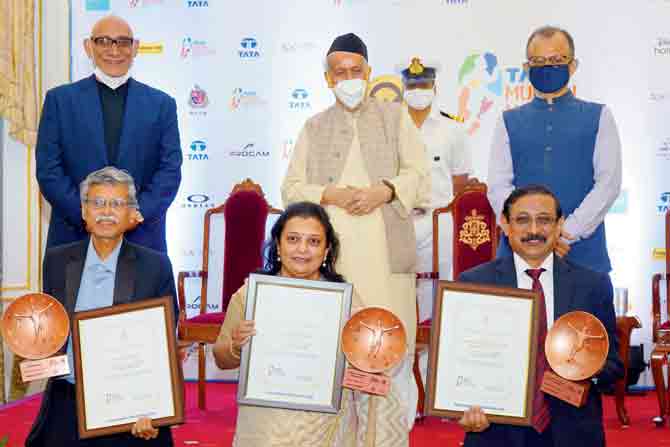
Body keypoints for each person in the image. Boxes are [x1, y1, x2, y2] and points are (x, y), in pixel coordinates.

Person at [282, 32, 430, 445]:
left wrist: (385, 190)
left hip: (387, 261)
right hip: (332, 267)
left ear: (368, 72)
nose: (349, 78)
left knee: (390, 355)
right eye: (340, 72)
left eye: (356, 71)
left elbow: (421, 176)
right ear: (328, 78)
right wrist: (331, 195)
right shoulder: (314, 126)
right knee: (332, 362)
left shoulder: (395, 117)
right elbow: (291, 188)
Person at [457, 185, 623, 447]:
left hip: (573, 431)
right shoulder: (475, 283)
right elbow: (460, 362)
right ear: (505, 224)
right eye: (522, 220)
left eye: (544, 220)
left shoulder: (593, 285)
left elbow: (613, 365)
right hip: (496, 431)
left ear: (559, 225)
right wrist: (463, 407)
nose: (533, 230)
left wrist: (584, 367)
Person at [26, 167, 178, 447]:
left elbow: (164, 345)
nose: (106, 212)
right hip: (67, 401)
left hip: (129, 409)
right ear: (84, 210)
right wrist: (32, 355)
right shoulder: (57, 262)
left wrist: (153, 410)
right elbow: (51, 337)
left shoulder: (155, 267)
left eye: (117, 204)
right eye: (97, 203)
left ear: (132, 213)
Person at [213, 201, 360, 446]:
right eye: (292, 239)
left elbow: (368, 366)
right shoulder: (251, 294)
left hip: (325, 426)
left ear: (326, 251)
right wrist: (237, 347)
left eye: (314, 242)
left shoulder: (346, 301)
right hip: (265, 424)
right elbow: (220, 358)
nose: (302, 249)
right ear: (278, 245)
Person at [36, 15, 182, 253]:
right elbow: (49, 170)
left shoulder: (162, 104)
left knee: (144, 293)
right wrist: (86, 214)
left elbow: (170, 170)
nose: (114, 50)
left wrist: (134, 214)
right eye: (104, 41)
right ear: (88, 47)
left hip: (142, 239)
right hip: (74, 238)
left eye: (123, 42)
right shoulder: (59, 101)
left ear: (135, 48)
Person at [487, 25, 622, 274]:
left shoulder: (599, 116)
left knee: (585, 314)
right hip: (520, 253)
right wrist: (531, 232)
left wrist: (566, 232)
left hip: (582, 252)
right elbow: (498, 186)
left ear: (573, 66)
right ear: (526, 68)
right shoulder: (508, 120)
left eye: (557, 60)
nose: (548, 67)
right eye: (539, 61)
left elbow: (608, 183)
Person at [401, 56, 472, 320]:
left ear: (435, 87)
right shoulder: (390, 128)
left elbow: (461, 183)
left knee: (440, 293)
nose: (418, 91)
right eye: (412, 86)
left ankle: (434, 357)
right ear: (403, 89)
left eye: (424, 84)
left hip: (440, 222)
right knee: (401, 291)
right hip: (400, 221)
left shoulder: (453, 129)